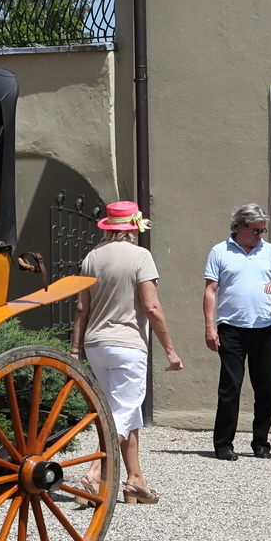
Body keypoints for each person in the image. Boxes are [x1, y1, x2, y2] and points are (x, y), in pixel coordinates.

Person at [69, 202, 183, 505]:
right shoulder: (140, 256)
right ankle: (95, 472)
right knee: (124, 409)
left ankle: (135, 481)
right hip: (127, 344)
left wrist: (76, 348)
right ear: (133, 227)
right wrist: (170, 349)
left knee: (122, 412)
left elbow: (82, 307)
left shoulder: (92, 257)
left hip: (95, 345)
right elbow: (152, 306)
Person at [203, 203, 271, 460]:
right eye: (255, 231)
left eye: (263, 230)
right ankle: (223, 445)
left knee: (266, 390)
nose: (260, 236)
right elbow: (210, 290)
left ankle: (261, 443)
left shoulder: (269, 251)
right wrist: (210, 327)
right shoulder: (220, 251)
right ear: (240, 227)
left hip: (264, 330)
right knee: (230, 388)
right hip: (231, 328)